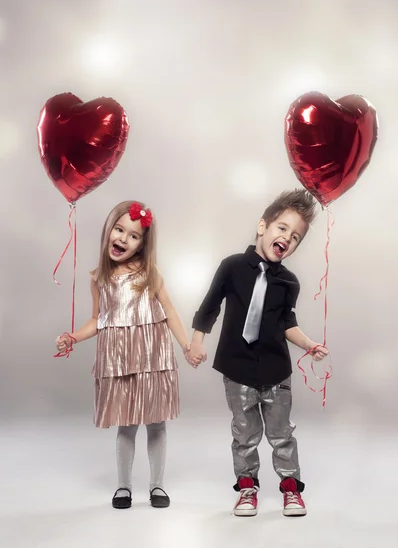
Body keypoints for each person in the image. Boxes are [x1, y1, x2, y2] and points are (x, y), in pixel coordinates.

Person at [189, 189, 328, 517]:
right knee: (245, 433)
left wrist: (309, 345)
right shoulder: (232, 267)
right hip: (236, 368)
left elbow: (286, 324)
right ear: (263, 226)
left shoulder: (289, 282)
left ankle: (291, 489)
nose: (287, 238)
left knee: (282, 434)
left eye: (295, 237)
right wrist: (197, 341)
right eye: (282, 228)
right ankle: (247, 487)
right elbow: (210, 307)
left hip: (275, 370)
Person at [56, 200, 199, 509]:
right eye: (119, 230)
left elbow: (170, 311)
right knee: (127, 424)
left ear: (141, 245)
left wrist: (186, 344)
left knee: (157, 423)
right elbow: (98, 319)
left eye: (133, 236)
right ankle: (123, 487)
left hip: (153, 358)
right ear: (109, 230)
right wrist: (73, 337)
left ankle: (157, 486)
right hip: (119, 360)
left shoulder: (150, 274)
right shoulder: (99, 278)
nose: (123, 238)